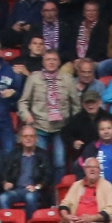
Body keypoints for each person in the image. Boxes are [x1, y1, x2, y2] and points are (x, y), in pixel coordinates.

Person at [17, 50, 80, 180]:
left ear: (59, 62)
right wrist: (26, 116)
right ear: (43, 62)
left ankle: (58, 189)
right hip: (39, 126)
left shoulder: (68, 80)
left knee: (59, 163)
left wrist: (74, 126)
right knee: (41, 163)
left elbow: (76, 105)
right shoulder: (33, 78)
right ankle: (41, 189)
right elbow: (23, 102)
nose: (51, 62)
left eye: (54, 60)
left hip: (61, 127)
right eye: (48, 59)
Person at [0, 124, 51, 214]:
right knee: (3, 198)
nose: (28, 139)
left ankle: (29, 222)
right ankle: (10, 221)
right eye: (25, 136)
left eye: (31, 136)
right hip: (17, 190)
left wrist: (37, 187)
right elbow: (5, 172)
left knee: (30, 197)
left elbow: (49, 176)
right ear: (20, 139)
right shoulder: (14, 154)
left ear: (36, 139)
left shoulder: (43, 155)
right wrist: (6, 182)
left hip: (35, 191)